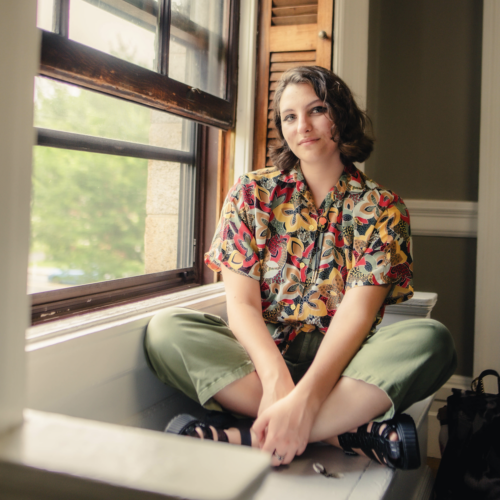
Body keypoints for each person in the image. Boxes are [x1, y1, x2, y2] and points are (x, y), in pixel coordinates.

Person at [144, 66, 457, 470]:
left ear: (341, 115)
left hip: (344, 363)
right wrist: (275, 379)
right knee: (167, 330)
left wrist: (306, 397)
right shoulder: (251, 193)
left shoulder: (383, 208)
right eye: (289, 116)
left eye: (316, 110)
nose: (303, 126)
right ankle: (343, 432)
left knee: (432, 340)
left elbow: (358, 315)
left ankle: (247, 433)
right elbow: (241, 306)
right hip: (259, 360)